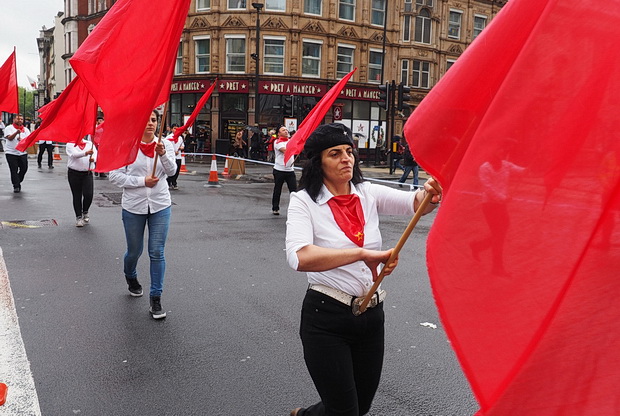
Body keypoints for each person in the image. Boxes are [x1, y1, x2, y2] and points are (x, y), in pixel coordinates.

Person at [285, 123, 442, 416]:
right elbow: (300, 257)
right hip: (326, 318)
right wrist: (360, 254)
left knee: (359, 406)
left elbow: (414, 203)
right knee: (345, 411)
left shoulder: (367, 192)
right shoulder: (303, 201)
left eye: (349, 151)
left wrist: (429, 193)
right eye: (335, 153)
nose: (346, 158)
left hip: (371, 316)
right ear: (318, 161)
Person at [108, 110, 177, 319]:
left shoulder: (166, 145)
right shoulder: (127, 145)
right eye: (145, 120)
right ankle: (131, 276)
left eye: (154, 120)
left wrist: (163, 154)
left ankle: (156, 298)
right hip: (134, 207)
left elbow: (172, 172)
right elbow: (114, 176)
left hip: (160, 206)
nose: (150, 124)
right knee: (134, 251)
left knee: (157, 252)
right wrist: (141, 182)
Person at [66, 136, 97, 227]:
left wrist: (93, 159)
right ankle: (78, 217)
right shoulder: (70, 144)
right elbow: (74, 155)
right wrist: (86, 153)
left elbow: (95, 153)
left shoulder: (89, 144)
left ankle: (85, 211)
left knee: (89, 194)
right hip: (74, 173)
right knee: (77, 195)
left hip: (87, 173)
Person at [271, 125, 297, 215]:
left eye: (286, 130)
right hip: (279, 170)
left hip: (290, 170)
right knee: (278, 189)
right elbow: (286, 151)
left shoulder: (291, 141)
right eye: (283, 130)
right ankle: (275, 208)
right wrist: (295, 147)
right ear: (279, 133)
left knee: (294, 191)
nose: (286, 131)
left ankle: (295, 209)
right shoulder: (277, 142)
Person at [4, 114, 31, 193]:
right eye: (18, 119)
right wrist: (16, 133)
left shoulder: (26, 129)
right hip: (11, 152)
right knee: (13, 169)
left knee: (24, 168)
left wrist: (22, 140)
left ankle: (18, 180)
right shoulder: (9, 128)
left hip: (22, 152)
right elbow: (9, 138)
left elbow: (28, 140)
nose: (20, 120)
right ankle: (16, 185)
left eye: (22, 119)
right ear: (14, 120)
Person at [165, 124, 184, 190]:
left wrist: (181, 148)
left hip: (178, 157)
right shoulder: (168, 137)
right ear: (171, 129)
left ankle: (174, 182)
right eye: (174, 128)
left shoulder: (180, 138)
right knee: (172, 170)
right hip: (171, 156)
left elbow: (182, 145)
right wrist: (173, 151)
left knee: (177, 170)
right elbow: (165, 147)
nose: (176, 130)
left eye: (177, 129)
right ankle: (169, 182)